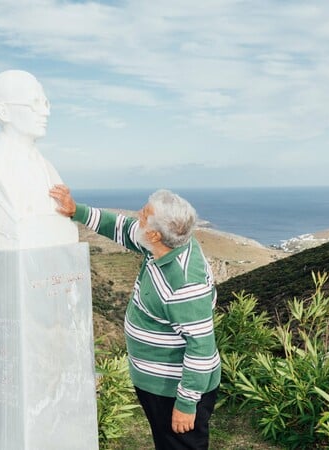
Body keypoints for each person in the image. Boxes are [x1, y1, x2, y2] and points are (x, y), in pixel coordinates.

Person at [49, 184, 221, 450]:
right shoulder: (165, 243)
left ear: (153, 234)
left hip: (174, 390)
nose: (137, 217)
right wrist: (77, 211)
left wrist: (187, 404)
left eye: (143, 215)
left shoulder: (185, 285)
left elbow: (202, 349)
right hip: (159, 384)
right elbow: (122, 228)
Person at [0, 69, 78, 249]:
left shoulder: (47, 167)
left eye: (46, 103)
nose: (45, 112)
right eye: (35, 104)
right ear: (4, 111)